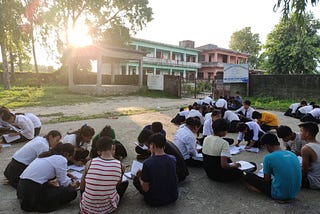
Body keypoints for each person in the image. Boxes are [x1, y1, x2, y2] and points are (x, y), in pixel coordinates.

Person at [17, 143, 78, 212]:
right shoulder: (61, 159)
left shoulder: (46, 155)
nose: (70, 159)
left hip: (22, 189)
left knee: (55, 186)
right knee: (71, 192)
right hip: (33, 191)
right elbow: (64, 182)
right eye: (71, 156)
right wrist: (73, 184)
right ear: (67, 154)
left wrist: (65, 174)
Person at [243, 133, 301, 202]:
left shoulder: (268, 158)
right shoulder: (292, 154)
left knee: (246, 174)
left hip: (279, 194)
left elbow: (266, 180)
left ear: (267, 146)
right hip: (294, 193)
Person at [80, 136, 128, 214]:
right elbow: (117, 186)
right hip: (107, 209)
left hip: (86, 208)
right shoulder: (120, 165)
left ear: (99, 151)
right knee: (125, 184)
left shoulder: (90, 163)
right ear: (113, 148)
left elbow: (82, 187)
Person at [133, 133, 178, 206]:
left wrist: (140, 177)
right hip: (172, 197)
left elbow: (145, 188)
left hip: (154, 200)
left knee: (136, 179)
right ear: (164, 146)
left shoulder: (148, 163)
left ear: (152, 146)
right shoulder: (173, 159)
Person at [299, 122, 320, 189]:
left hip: (313, 181)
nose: (300, 134)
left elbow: (304, 171)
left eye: (301, 131)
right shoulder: (318, 144)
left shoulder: (306, 148)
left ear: (307, 134)